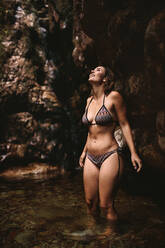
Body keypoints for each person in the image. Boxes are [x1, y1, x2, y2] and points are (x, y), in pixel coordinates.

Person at [79, 66, 142, 224]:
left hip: (110, 154)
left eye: (98, 70)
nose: (93, 71)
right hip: (91, 156)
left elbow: (124, 124)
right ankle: (94, 231)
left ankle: (109, 237)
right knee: (90, 203)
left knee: (106, 205)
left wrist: (133, 153)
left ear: (106, 79)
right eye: (92, 70)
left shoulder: (114, 97)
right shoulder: (88, 100)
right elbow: (90, 130)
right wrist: (83, 152)